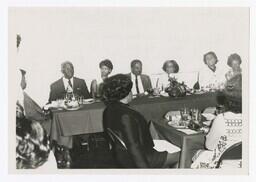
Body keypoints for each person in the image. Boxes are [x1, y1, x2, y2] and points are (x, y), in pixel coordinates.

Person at [102, 74, 180, 168]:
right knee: (183, 155)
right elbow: (134, 147)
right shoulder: (126, 115)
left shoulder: (109, 110)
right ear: (126, 93)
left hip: (122, 156)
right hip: (143, 158)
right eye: (130, 90)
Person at [191, 74, 242, 169]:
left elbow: (209, 146)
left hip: (225, 166)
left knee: (195, 153)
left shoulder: (223, 119)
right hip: (248, 166)